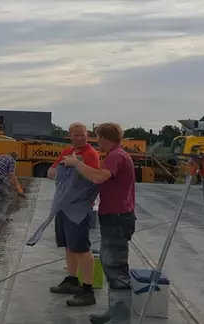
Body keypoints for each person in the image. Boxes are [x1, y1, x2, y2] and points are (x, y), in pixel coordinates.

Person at [67, 122, 136, 324]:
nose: (98, 142)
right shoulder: (117, 155)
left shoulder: (116, 156)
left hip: (117, 218)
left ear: (105, 138)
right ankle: (115, 311)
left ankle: (121, 317)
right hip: (115, 216)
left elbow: (98, 177)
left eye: (98, 138)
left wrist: (77, 164)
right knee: (109, 263)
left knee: (115, 265)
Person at [47, 122, 101, 307]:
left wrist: (74, 165)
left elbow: (94, 177)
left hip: (79, 209)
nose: (79, 138)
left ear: (88, 135)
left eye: (82, 135)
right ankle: (72, 280)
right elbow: (51, 172)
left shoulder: (91, 154)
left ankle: (88, 289)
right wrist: (66, 168)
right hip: (63, 207)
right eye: (75, 135)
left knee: (81, 249)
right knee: (68, 246)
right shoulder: (66, 152)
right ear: (70, 136)